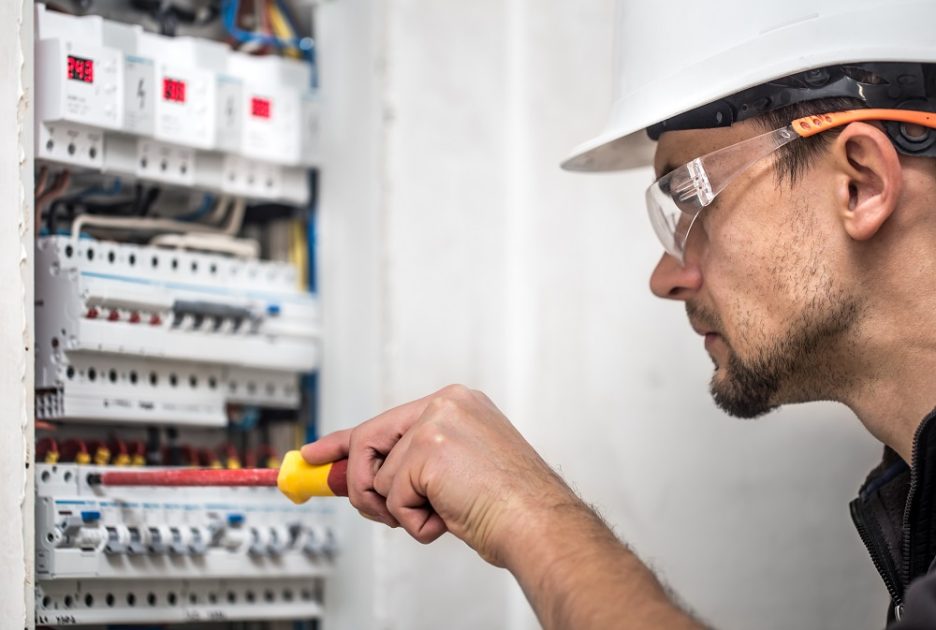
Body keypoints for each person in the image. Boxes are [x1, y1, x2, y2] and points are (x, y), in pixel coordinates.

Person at [301, 1, 936, 627]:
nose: (666, 278)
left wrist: (525, 510)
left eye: (689, 199)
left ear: (860, 182)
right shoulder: (914, 499)